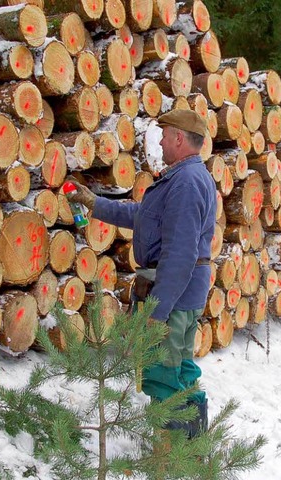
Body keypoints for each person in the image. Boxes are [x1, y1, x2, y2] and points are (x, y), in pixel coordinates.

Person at [69, 109, 216, 438]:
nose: (160, 141)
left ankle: (172, 458)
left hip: (174, 297)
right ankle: (192, 448)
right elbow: (144, 216)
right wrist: (95, 204)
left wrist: (156, 310)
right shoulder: (181, 179)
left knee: (165, 374)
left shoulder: (188, 182)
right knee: (181, 370)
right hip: (179, 293)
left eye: (164, 135)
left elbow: (181, 253)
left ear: (179, 137)